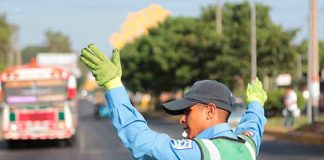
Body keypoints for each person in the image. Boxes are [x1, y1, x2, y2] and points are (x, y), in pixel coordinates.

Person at [80, 44, 267, 160]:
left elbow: (141, 142)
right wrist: (256, 104)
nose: (182, 120)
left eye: (188, 112)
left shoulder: (202, 152)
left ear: (210, 111)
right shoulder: (246, 146)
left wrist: (113, 86)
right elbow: (253, 125)